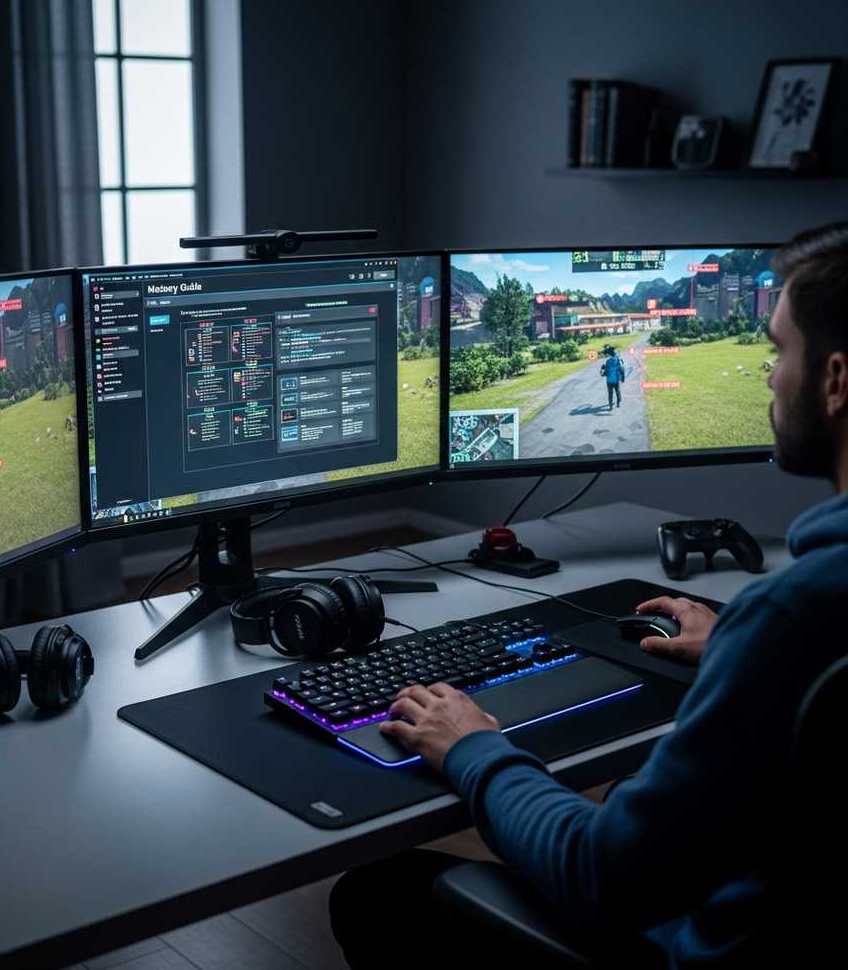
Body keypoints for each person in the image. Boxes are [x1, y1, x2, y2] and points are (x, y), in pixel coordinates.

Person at [330, 221, 848, 969]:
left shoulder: (795, 616)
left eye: (778, 351)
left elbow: (600, 874)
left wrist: (475, 744)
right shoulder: (795, 623)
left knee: (375, 893)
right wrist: (743, 646)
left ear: (836, 382)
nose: (769, 376)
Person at [600, 343, 625, 409]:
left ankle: (611, 405)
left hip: (609, 380)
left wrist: (603, 369)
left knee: (610, 393)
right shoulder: (618, 359)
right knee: (617, 391)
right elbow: (622, 369)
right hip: (616, 379)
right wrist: (623, 378)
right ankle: (618, 403)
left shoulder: (608, 361)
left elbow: (606, 370)